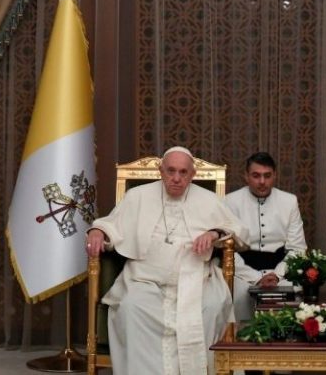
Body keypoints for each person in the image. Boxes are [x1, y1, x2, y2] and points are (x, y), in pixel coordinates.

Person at [86, 146, 248, 375]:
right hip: (144, 279)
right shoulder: (137, 196)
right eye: (171, 171)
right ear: (160, 171)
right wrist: (98, 231)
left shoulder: (209, 200)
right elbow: (111, 224)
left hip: (197, 280)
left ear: (192, 175)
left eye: (183, 172)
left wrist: (214, 233)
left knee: (211, 306)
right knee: (131, 307)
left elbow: (239, 232)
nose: (176, 178)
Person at [224, 152, 307, 320]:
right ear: (246, 176)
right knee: (238, 297)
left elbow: (297, 248)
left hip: (282, 273)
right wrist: (256, 279)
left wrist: (276, 275)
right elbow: (227, 250)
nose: (262, 181)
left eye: (267, 176)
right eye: (256, 176)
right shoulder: (230, 202)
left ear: (275, 175)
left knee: (294, 296)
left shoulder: (289, 201)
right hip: (243, 273)